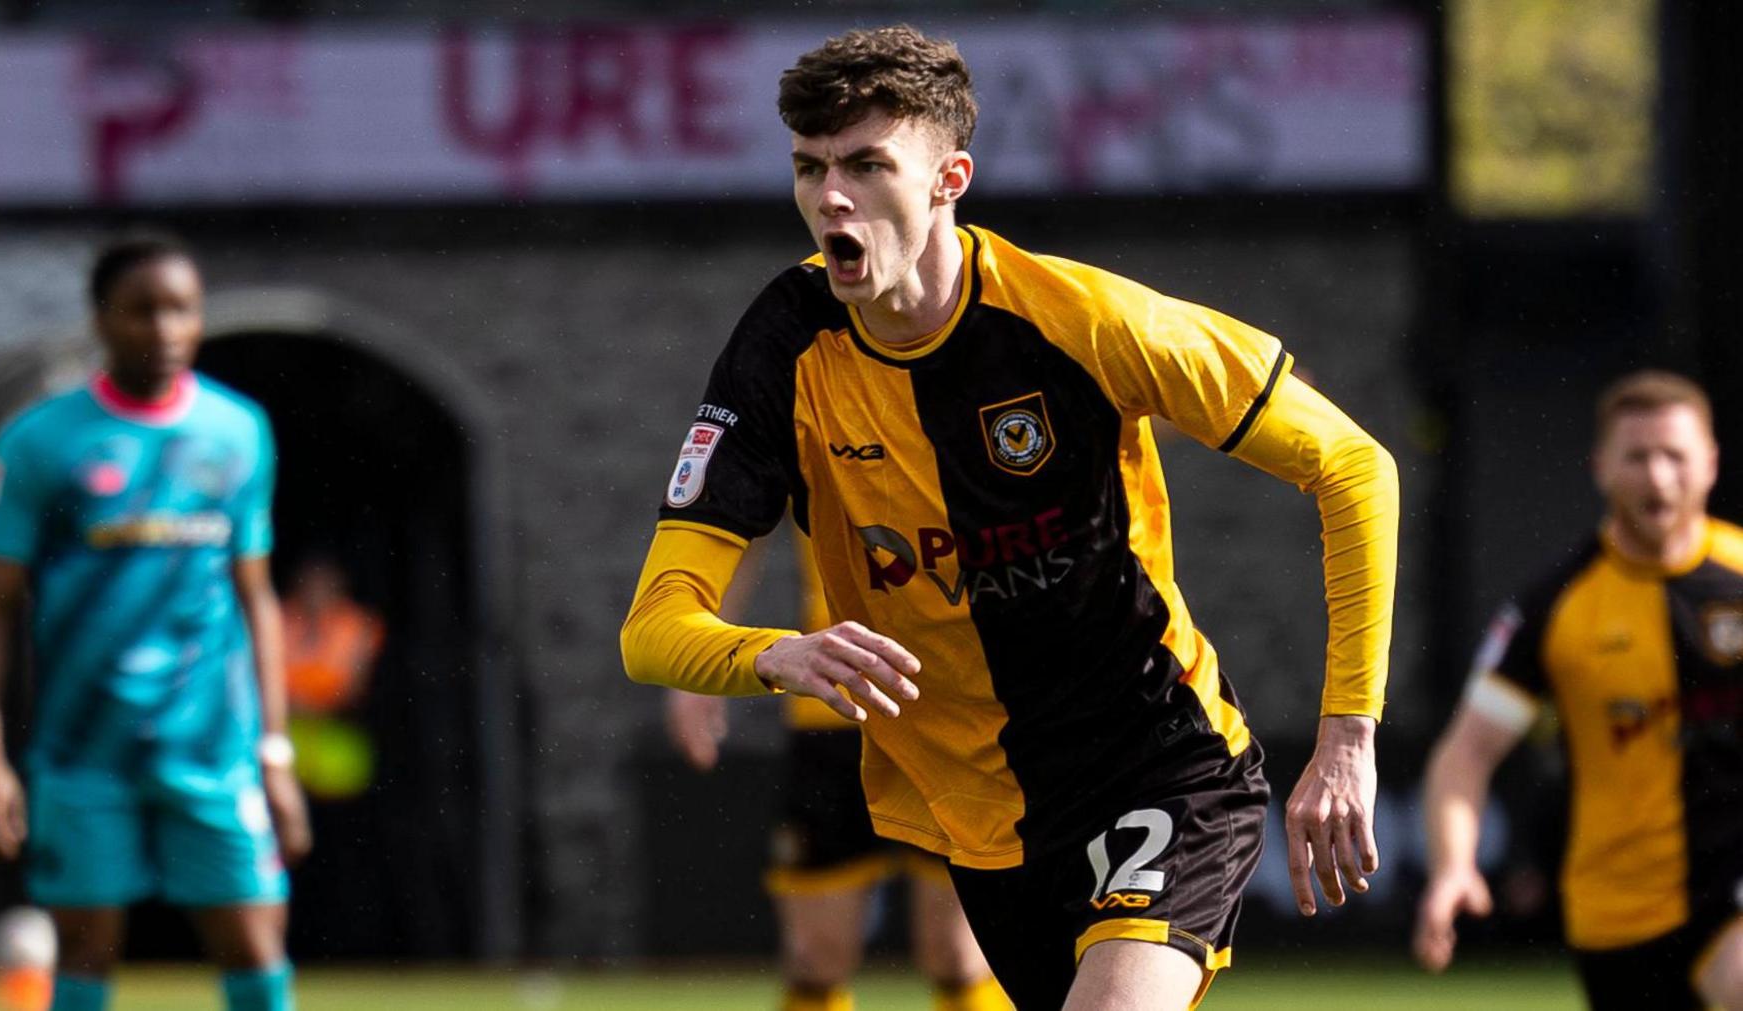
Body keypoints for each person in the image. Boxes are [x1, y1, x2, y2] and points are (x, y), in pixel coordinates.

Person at [622, 25, 1398, 1010]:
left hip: (1159, 762)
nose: (832, 198)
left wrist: (1347, 742)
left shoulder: (1081, 321)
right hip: (986, 815)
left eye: (867, 165)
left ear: (950, 178)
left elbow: (1352, 466)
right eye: (810, 168)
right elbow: (652, 631)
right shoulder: (781, 350)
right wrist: (772, 655)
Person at [0, 234, 309, 1011]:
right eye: (142, 310)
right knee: (83, 948)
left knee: (254, 943)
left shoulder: (238, 431)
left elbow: (255, 594)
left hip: (212, 747)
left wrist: (274, 751)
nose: (166, 330)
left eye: (182, 309)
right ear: (101, 320)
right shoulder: (40, 441)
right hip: (84, 747)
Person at [1415, 371, 1743, 1010]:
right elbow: (1464, 757)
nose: (1658, 477)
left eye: (1675, 455)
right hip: (1617, 914)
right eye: (1638, 456)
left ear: (1710, 462)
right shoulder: (1554, 607)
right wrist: (1454, 866)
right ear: (1601, 468)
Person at [664, 532, 1008, 1011]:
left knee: (958, 956)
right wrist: (702, 661)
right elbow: (739, 532)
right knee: (813, 958)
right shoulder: (799, 453)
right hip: (831, 712)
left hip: (953, 715)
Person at [281, 555, 382, 800]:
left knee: (346, 767)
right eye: (310, 585)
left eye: (325, 586)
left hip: (333, 735)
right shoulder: (277, 619)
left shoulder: (359, 627)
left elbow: (356, 692)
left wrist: (314, 704)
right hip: (284, 731)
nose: (316, 593)